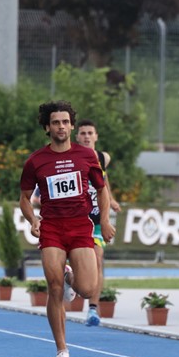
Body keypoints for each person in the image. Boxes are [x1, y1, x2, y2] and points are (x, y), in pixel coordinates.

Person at [19, 101, 114, 357]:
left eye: (65, 122)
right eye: (55, 123)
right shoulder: (36, 160)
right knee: (54, 287)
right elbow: (24, 198)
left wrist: (105, 221)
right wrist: (33, 219)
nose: (61, 127)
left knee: (87, 288)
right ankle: (62, 349)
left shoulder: (87, 156)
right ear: (47, 128)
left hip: (80, 227)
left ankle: (71, 277)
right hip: (51, 228)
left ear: (71, 126)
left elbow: (102, 190)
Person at [75, 119, 121, 327]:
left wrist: (110, 200)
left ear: (96, 136)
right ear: (77, 137)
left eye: (90, 133)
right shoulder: (72, 156)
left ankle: (92, 309)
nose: (86, 136)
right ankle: (71, 281)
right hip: (76, 219)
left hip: (96, 222)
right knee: (76, 262)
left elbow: (103, 180)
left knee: (98, 259)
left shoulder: (103, 158)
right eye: (83, 133)